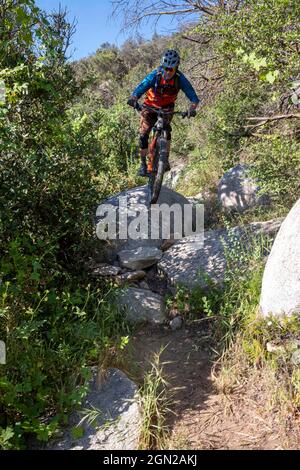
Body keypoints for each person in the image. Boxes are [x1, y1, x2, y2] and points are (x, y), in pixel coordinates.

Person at [127, 49, 200, 176]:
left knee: (167, 130)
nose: (167, 72)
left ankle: (164, 160)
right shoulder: (155, 75)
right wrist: (134, 98)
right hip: (149, 107)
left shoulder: (180, 79)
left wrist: (191, 109)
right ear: (162, 66)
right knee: (143, 135)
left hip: (167, 108)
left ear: (176, 68)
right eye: (165, 68)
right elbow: (141, 87)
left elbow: (193, 97)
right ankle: (143, 164)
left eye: (170, 69)